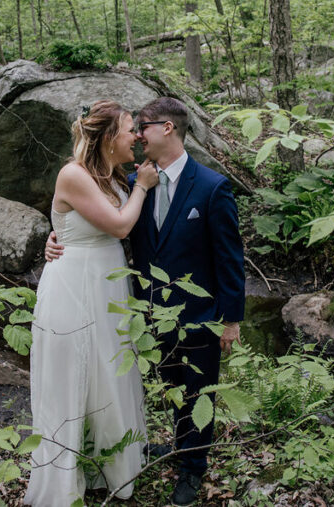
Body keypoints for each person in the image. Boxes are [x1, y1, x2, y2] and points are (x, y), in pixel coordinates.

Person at [46, 97, 246, 507]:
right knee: (169, 385)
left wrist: (230, 319)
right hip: (148, 311)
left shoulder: (212, 186)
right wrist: (55, 239)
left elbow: (230, 258)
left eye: (143, 127)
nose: (137, 135)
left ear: (167, 128)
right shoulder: (133, 181)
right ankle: (172, 447)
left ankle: (191, 470)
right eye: (132, 128)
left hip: (199, 314)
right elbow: (89, 219)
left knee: (197, 392)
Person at [24, 100, 159, 507]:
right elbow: (119, 225)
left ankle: (111, 468)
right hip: (74, 286)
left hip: (107, 286)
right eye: (129, 129)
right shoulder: (74, 174)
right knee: (74, 374)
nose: (136, 136)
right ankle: (65, 483)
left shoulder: (111, 174)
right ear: (107, 137)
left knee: (109, 369)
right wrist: (141, 187)